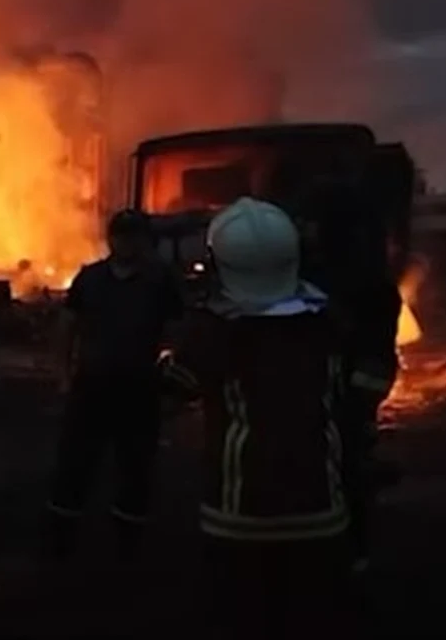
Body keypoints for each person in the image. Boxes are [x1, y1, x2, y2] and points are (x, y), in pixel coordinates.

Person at [160, 197, 357, 638]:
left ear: (221, 261)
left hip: (239, 516)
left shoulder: (213, 331)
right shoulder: (329, 322)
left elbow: (174, 390)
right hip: (321, 508)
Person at [44, 208, 182, 559]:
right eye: (121, 236)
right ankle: (62, 537)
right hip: (92, 385)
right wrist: (63, 373)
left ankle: (128, 541)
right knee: (75, 462)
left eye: (133, 236)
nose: (126, 243)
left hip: (139, 388)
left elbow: (175, 329)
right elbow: (67, 324)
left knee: (136, 465)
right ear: (111, 239)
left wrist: (171, 376)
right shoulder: (90, 279)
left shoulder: (159, 280)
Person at [298, 179, 400, 576]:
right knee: (337, 464)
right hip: (339, 385)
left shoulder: (351, 280)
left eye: (310, 224)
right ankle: (341, 548)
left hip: (348, 387)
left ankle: (349, 551)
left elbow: (370, 344)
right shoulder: (355, 274)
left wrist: (356, 396)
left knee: (345, 465)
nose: (305, 231)